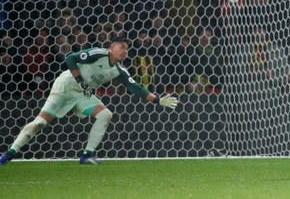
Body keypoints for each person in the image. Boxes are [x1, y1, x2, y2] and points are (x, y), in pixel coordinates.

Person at [0, 37, 179, 166]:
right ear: (111, 48)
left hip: (82, 94)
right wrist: (80, 81)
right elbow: (71, 58)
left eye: (127, 49)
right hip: (66, 86)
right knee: (39, 123)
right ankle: (8, 154)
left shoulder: (119, 70)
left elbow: (135, 88)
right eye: (121, 47)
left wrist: (157, 100)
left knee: (105, 115)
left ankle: (87, 155)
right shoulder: (98, 53)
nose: (125, 51)